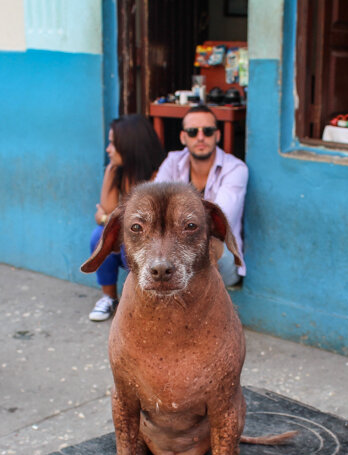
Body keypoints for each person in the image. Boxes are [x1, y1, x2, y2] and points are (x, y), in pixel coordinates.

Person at [154, 104, 248, 287]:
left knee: (208, 244)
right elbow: (154, 206)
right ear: (183, 137)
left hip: (222, 258)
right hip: (177, 251)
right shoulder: (173, 161)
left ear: (217, 135)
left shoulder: (236, 169)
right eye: (192, 132)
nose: (200, 137)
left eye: (208, 131)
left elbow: (218, 223)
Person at [88, 114, 165, 321]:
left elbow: (136, 225)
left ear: (130, 145)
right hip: (132, 235)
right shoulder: (118, 171)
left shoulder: (158, 177)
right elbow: (106, 211)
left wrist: (106, 218)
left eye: (113, 143)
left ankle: (145, 303)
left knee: (128, 242)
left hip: (157, 247)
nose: (108, 149)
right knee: (99, 236)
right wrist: (111, 170)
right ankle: (110, 298)